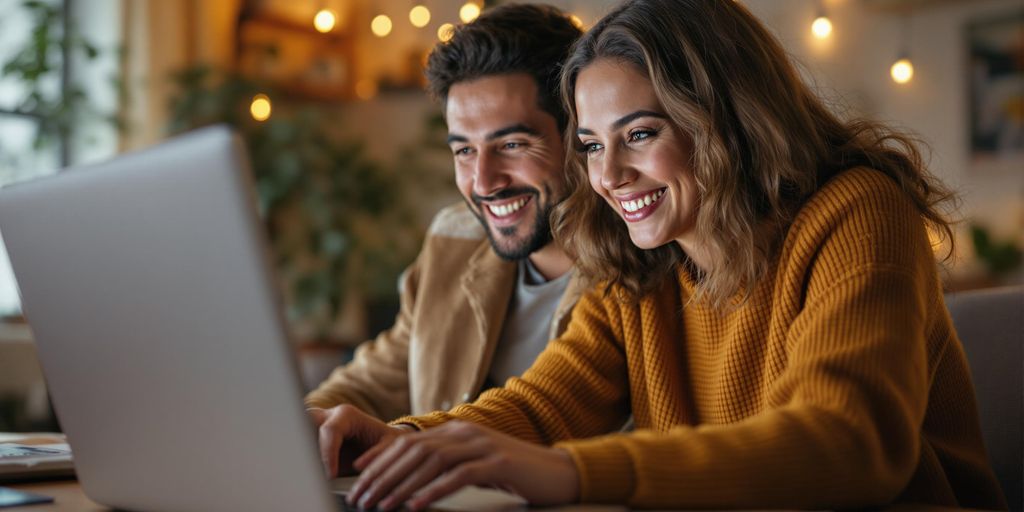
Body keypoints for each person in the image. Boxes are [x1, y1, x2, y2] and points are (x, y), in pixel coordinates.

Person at [328, 1, 1008, 510]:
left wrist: (572, 471)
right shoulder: (641, 261)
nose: (609, 176)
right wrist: (395, 439)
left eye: (641, 133)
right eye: (593, 145)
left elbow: (846, 442)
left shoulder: (855, 212)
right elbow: (540, 409)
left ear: (728, 119)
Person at [305, 3, 585, 474]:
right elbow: (377, 377)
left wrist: (412, 443)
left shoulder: (637, 262)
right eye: (464, 150)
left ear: (579, 136)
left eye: (512, 145)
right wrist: (311, 423)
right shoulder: (454, 238)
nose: (483, 181)